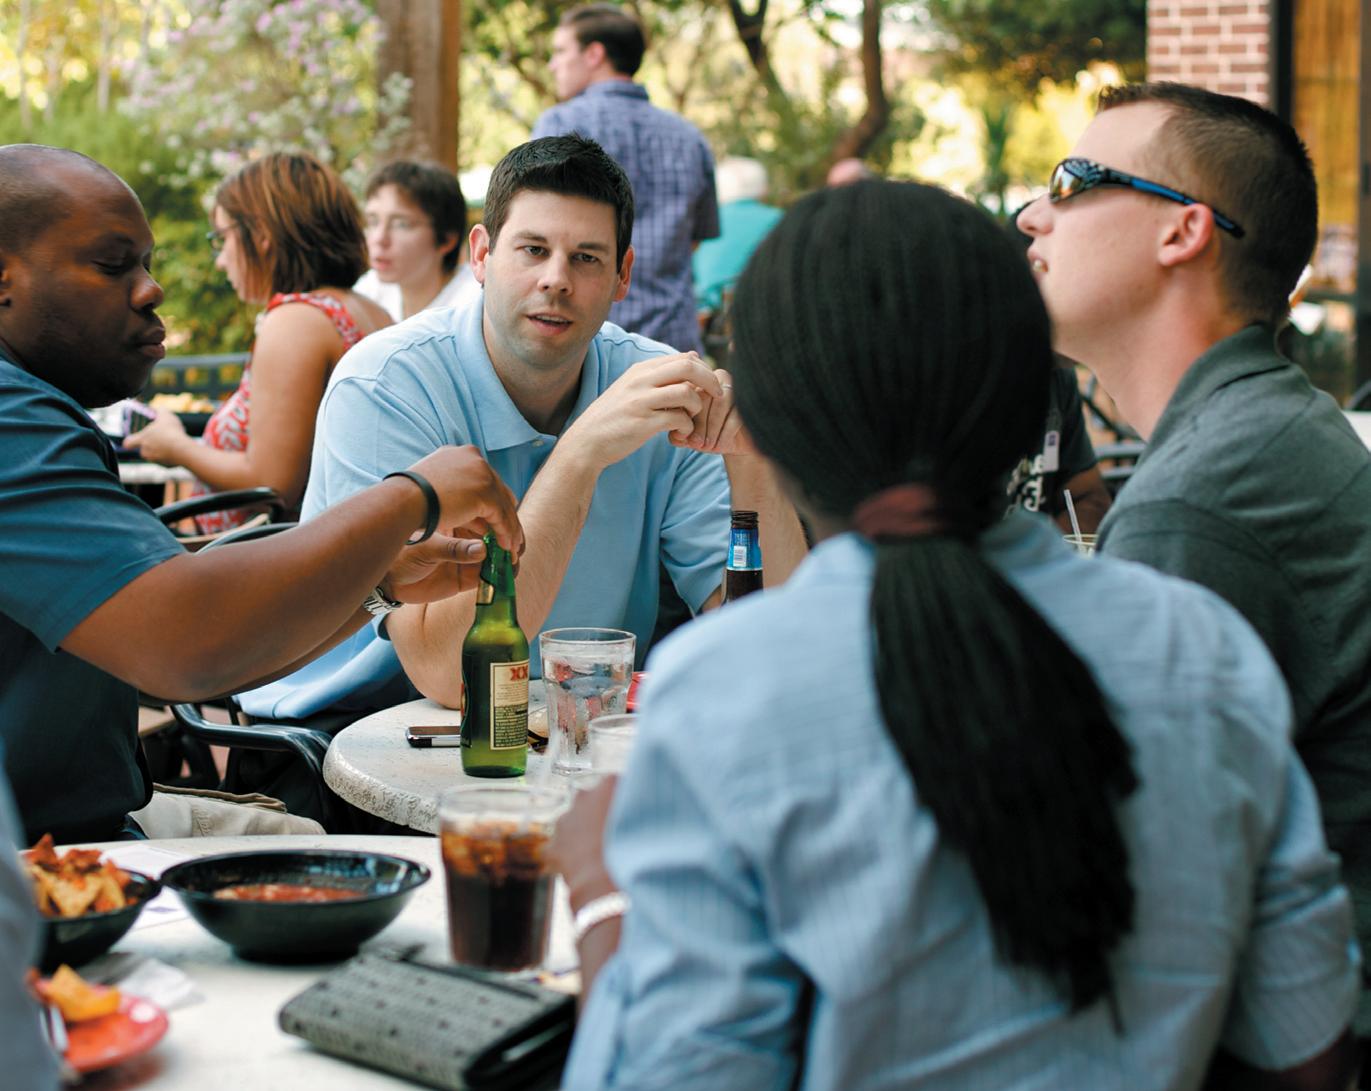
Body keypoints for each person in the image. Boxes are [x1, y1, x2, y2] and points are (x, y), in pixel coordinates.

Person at [553, 181, 1360, 1089]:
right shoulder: (1203, 649)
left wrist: (602, 896)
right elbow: (1308, 1055)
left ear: (769, 424)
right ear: (1031, 396)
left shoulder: (727, 689)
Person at [0, 144, 523, 845]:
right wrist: (413, 497)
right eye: (113, 264)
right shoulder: (12, 419)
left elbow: (159, 622)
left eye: (146, 263)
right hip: (42, 852)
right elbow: (180, 641)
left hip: (89, 814)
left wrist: (380, 582)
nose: (152, 290)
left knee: (312, 845)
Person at [1017, 82, 1371, 1035]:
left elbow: (1112, 864)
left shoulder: (1201, 496)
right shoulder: (1263, 423)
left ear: (1183, 231)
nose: (1031, 214)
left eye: (1070, 181)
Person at [241, 134, 806, 725]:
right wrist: (581, 452)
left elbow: (775, 644)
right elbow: (451, 676)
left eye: (586, 258)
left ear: (623, 276)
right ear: (481, 255)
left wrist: (751, 462)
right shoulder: (386, 383)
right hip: (346, 728)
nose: (556, 280)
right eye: (533, 250)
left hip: (569, 729)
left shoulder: (658, 389)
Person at [124, 152, 391, 532]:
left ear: (262, 235)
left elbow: (272, 484)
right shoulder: (370, 311)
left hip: (273, 559)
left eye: (222, 238)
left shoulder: (295, 321)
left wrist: (177, 447)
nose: (220, 260)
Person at [532, 4, 718, 355]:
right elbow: (697, 236)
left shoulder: (558, 125)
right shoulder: (690, 137)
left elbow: (536, 228)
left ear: (594, 54)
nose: (553, 64)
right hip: (672, 345)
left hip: (588, 344)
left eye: (560, 51)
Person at [354, 160, 482, 322]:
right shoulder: (371, 289)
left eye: (401, 224)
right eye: (373, 221)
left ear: (446, 239)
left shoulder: (476, 306)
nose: (379, 238)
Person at [691, 156, 783, 317]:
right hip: (765, 310)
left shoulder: (703, 221)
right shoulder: (779, 219)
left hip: (709, 315)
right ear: (763, 187)